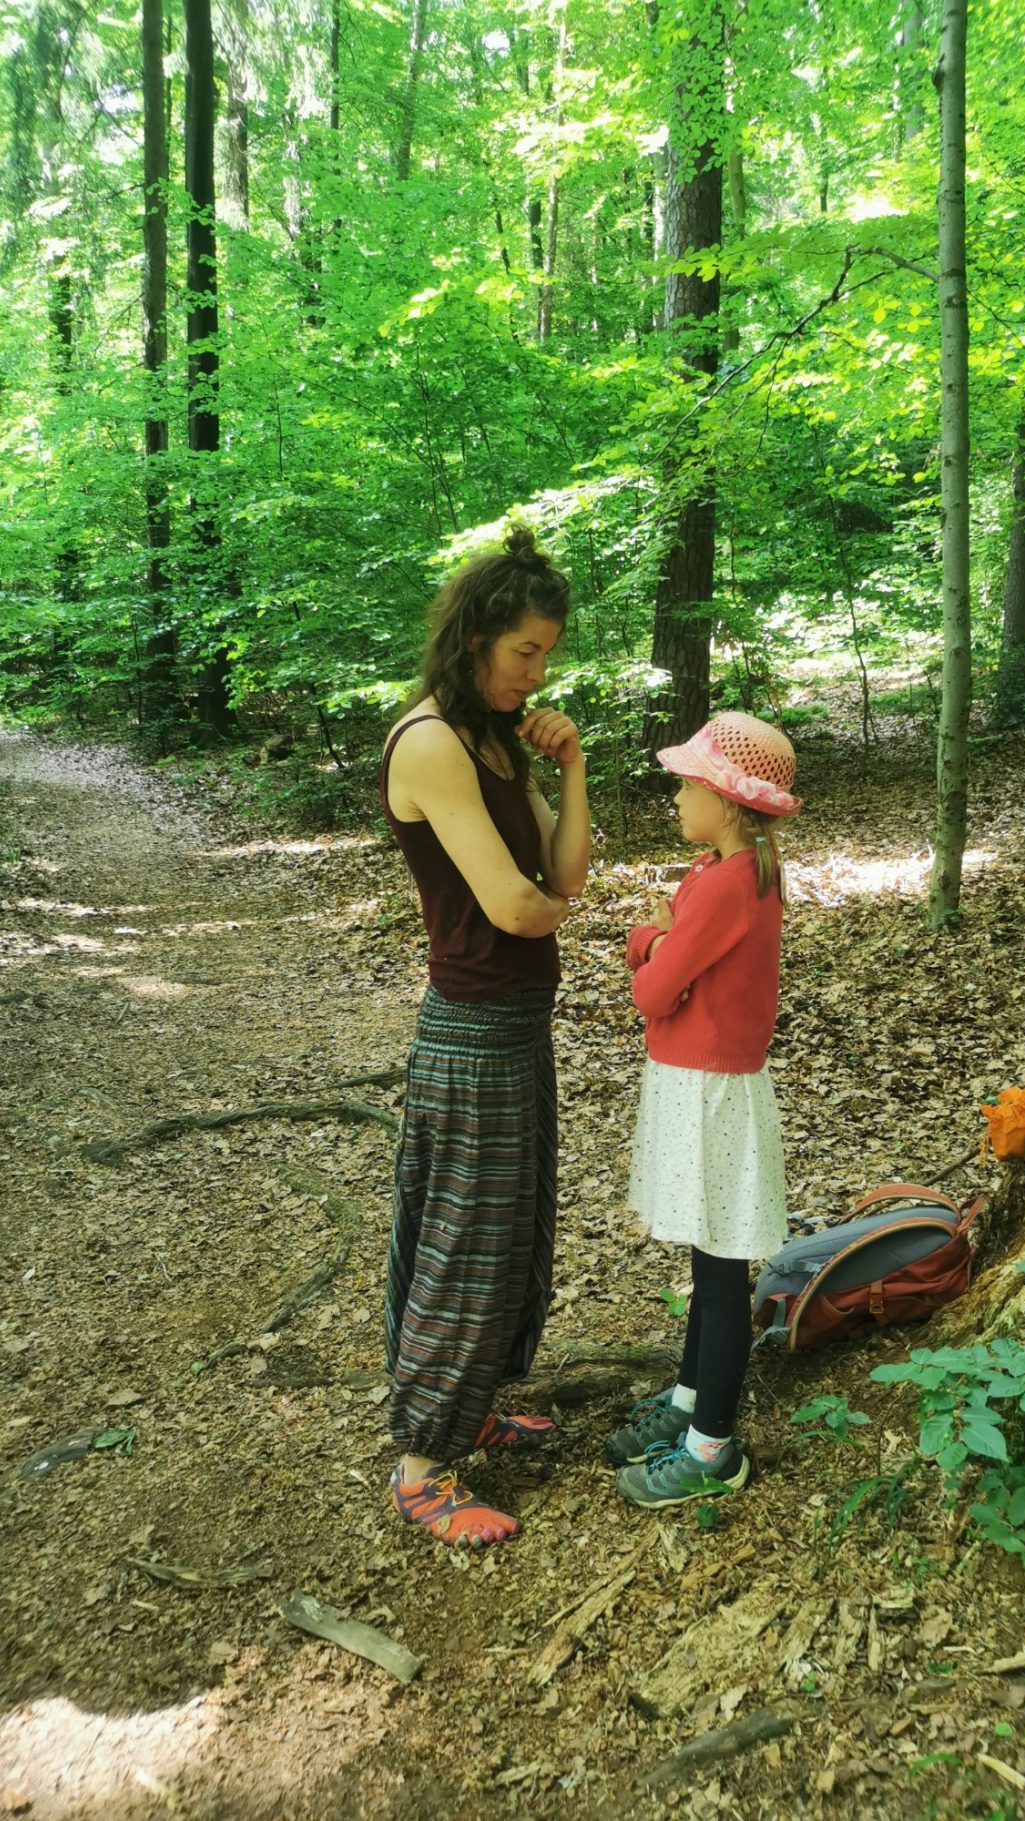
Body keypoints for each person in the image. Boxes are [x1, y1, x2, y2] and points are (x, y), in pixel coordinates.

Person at [379, 526, 589, 1547]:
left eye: (546, 653)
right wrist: (546, 900)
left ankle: (472, 1409)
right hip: (468, 1033)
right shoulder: (430, 743)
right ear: (474, 641)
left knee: (510, 1233)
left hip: (519, 1026)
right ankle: (422, 1462)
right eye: (525, 652)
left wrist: (574, 766)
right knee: (464, 1244)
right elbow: (515, 904)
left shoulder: (501, 738)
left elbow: (566, 873)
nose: (536, 671)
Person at [606, 712, 801, 1507]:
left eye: (688, 784)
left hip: (709, 1095)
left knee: (720, 1276)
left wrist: (647, 942)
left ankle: (713, 1449)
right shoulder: (736, 867)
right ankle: (688, 1405)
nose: (677, 796)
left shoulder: (724, 882)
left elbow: (652, 991)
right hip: (702, 1085)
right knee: (707, 1261)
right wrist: (666, 941)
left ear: (725, 799)